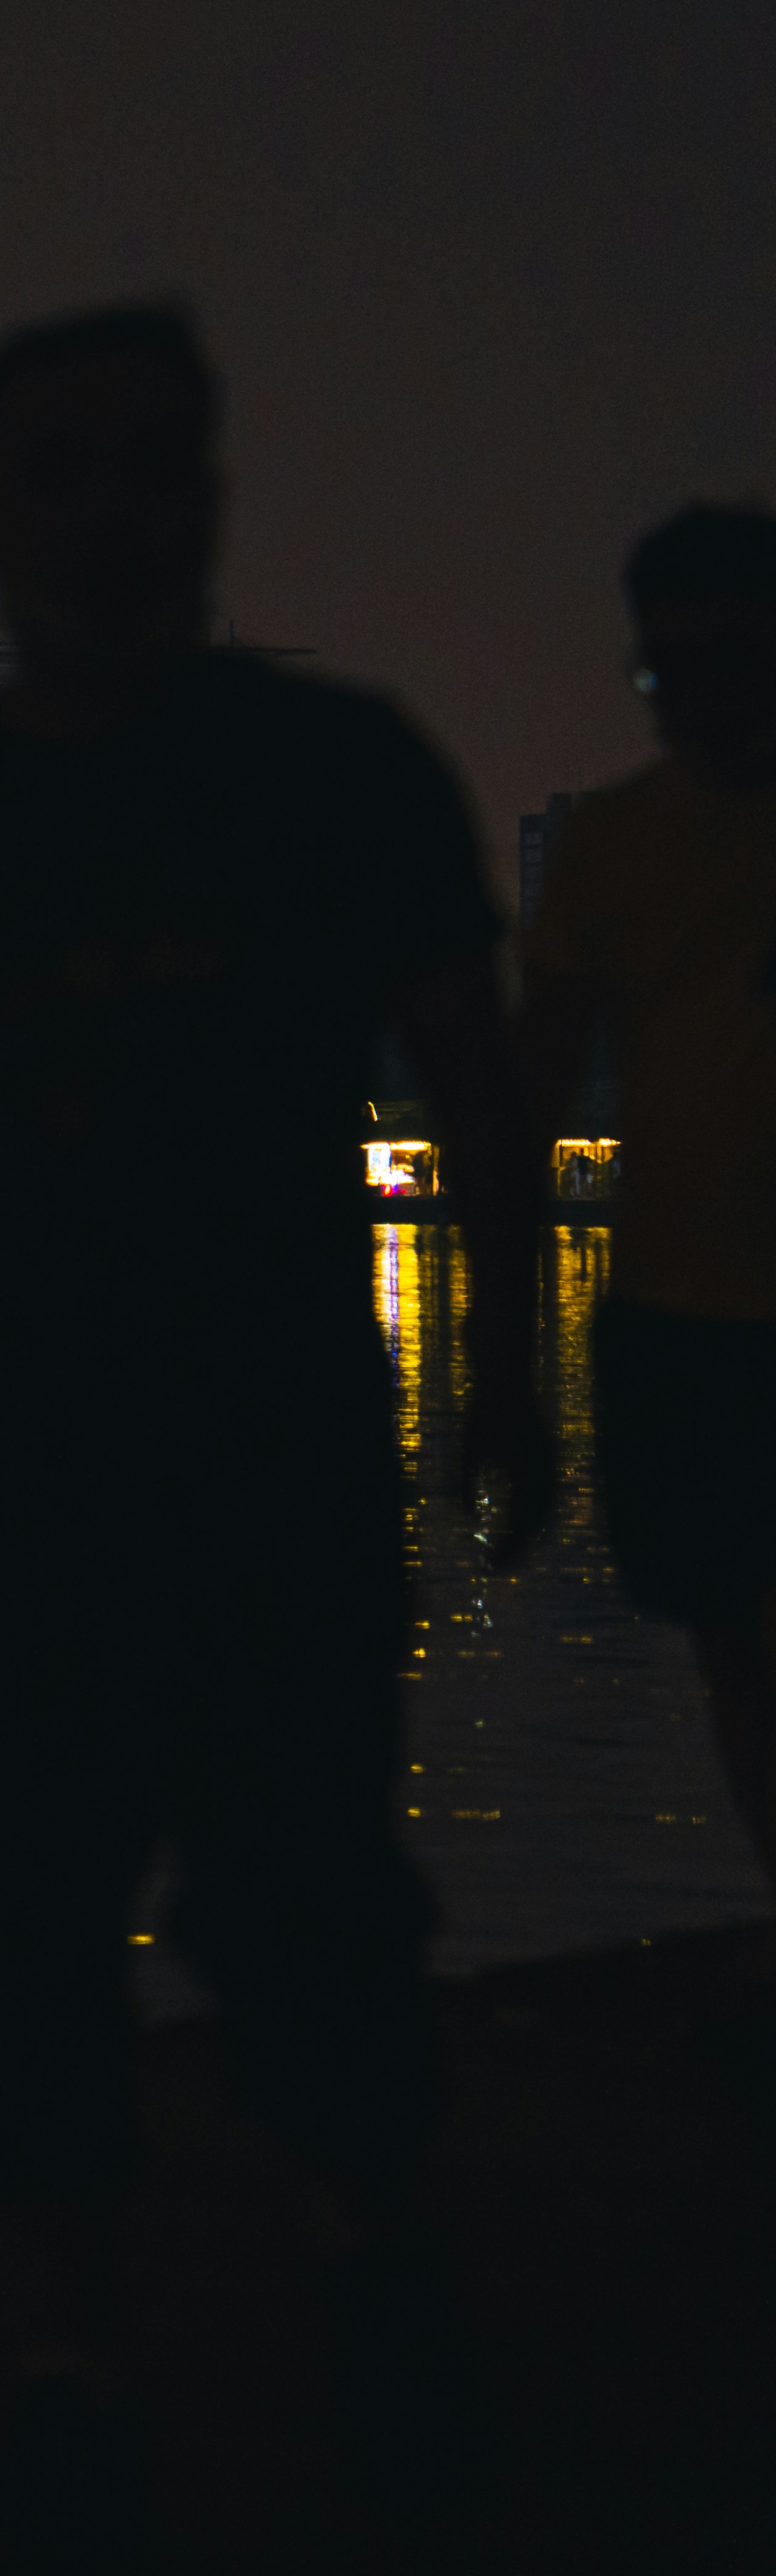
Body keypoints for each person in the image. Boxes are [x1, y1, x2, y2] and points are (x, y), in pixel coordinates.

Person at [0, 303, 548, 2549]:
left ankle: (346, 2260)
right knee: (6, 1932)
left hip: (270, 1466)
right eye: (63, 471)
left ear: (209, 500)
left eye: (149, 465)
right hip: (3, 1482)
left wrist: (517, 1371)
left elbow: (479, 1090)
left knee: (311, 1912)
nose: (110, 516)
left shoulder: (337, 774)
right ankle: (85, 2343)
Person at [516, 502, 776, 2041]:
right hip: (678, 1310)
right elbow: (537, 1079)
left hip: (691, 1308)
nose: (693, 698)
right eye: (666, 672)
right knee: (729, 1639)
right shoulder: (614, 844)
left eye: (725, 663)